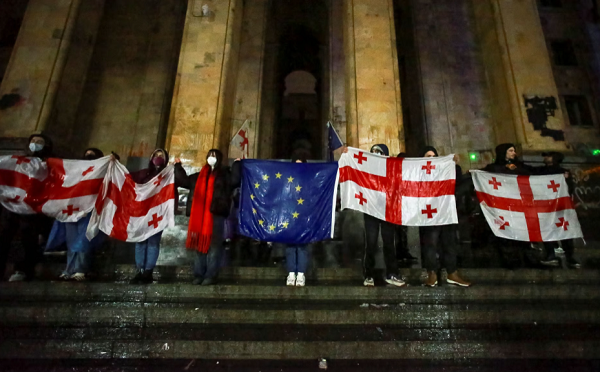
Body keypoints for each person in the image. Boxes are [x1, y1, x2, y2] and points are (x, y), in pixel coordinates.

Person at [175, 149, 240, 285]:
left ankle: (210, 275)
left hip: (216, 213)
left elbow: (235, 181)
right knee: (199, 245)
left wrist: (237, 166)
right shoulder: (199, 176)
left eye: (215, 156)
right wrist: (178, 167)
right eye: (210, 155)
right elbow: (184, 182)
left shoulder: (224, 175)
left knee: (214, 246)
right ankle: (198, 274)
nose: (212, 158)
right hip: (199, 215)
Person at [343, 144, 405, 287]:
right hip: (371, 210)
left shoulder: (392, 170)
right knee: (370, 243)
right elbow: (353, 168)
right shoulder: (366, 170)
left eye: (379, 152)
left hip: (387, 210)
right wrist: (347, 154)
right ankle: (368, 274)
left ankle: (392, 273)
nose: (376, 154)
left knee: (389, 243)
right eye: (373, 152)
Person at [0, 133, 54, 282]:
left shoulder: (50, 164)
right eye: (33, 141)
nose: (36, 144)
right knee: (3, 237)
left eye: (40, 142)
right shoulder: (16, 161)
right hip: (10, 205)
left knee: (28, 239)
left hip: (32, 209)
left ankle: (23, 270)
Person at [49, 148, 107, 281]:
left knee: (84, 241)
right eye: (86, 154)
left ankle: (81, 269)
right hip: (71, 209)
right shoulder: (74, 171)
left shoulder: (102, 173)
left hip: (89, 211)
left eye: (92, 155)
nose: (88, 156)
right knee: (72, 241)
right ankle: (69, 269)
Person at [419, 146, 471, 287]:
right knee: (430, 243)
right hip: (429, 213)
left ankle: (452, 273)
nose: (431, 159)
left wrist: (453, 164)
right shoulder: (417, 171)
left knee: (449, 243)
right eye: (427, 156)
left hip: (446, 211)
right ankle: (432, 274)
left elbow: (459, 182)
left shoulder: (447, 169)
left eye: (433, 156)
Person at [482, 143, 533, 268]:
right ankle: (507, 259)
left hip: (518, 207)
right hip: (502, 207)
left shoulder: (520, 167)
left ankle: (524, 258)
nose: (514, 153)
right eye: (510, 150)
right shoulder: (493, 168)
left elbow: (534, 172)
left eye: (514, 151)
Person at [128, 148, 170, 284]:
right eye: (156, 155)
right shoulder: (144, 173)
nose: (158, 157)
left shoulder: (168, 174)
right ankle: (140, 270)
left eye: (161, 155)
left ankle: (148, 271)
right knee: (140, 241)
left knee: (153, 242)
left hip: (158, 213)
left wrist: (178, 167)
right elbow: (127, 178)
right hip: (142, 211)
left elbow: (180, 181)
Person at [537, 151, 581, 269]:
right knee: (547, 230)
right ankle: (550, 254)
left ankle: (569, 257)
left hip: (560, 207)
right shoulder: (541, 171)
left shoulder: (563, 172)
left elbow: (570, 189)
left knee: (565, 231)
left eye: (548, 156)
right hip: (546, 207)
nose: (546, 158)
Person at [285, 156, 310, 287]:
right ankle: (291, 272)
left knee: (302, 246)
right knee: (290, 246)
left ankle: (300, 273)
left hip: (303, 217)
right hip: (289, 216)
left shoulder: (308, 181)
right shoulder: (287, 181)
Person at [395, 152, 417, 264]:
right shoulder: (396, 173)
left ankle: (403, 251)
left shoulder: (408, 173)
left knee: (403, 230)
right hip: (396, 206)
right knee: (398, 231)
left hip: (405, 205)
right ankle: (399, 252)